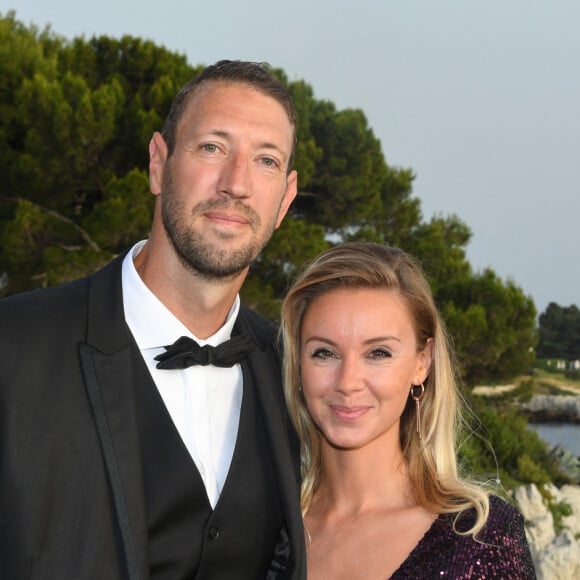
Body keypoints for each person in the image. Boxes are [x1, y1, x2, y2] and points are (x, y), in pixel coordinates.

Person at [0, 60, 306, 580]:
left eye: (266, 161)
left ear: (285, 199)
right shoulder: (13, 347)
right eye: (212, 147)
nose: (237, 184)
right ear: (158, 164)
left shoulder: (298, 377)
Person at [281, 242, 536, 579]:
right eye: (324, 353)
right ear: (298, 362)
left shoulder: (480, 539)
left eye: (379, 353)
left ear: (422, 362)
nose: (347, 382)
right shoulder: (267, 533)